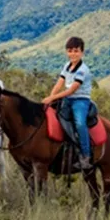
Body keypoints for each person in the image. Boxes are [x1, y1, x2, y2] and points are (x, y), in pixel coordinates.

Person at [42, 36, 93, 170]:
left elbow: (71, 90)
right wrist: (51, 97)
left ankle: (86, 156)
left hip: (80, 100)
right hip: (67, 98)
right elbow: (59, 83)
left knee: (80, 123)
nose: (73, 54)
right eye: (70, 51)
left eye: (76, 51)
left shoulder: (83, 70)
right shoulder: (67, 66)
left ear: (82, 52)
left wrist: (51, 98)